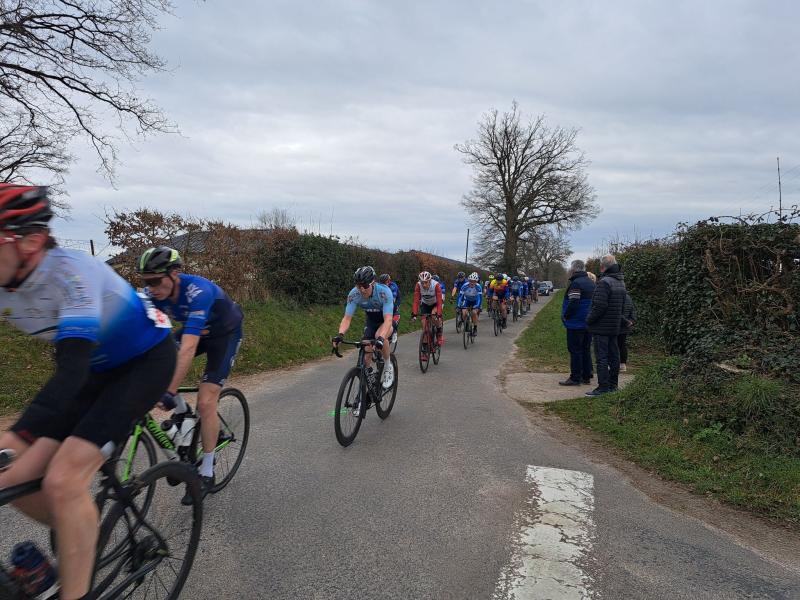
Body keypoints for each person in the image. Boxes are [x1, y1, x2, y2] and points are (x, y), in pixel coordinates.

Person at [0, 184, 176, 599]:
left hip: (143, 363)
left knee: (63, 480)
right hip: (95, 370)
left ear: (29, 242)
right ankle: (79, 534)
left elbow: (72, 370)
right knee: (9, 475)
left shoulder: (73, 275)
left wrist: (21, 433)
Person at [138, 245, 243, 502]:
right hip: (196, 330)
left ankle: (206, 472)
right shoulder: (152, 295)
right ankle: (183, 410)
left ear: (174, 273)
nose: (151, 287)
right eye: (146, 282)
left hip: (224, 335)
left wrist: (169, 391)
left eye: (155, 281)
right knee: (153, 362)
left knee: (206, 403)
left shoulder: (198, 292)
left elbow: (188, 349)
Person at [333, 266, 395, 401]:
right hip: (371, 322)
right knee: (366, 355)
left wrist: (380, 338)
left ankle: (388, 365)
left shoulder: (384, 292)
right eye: (358, 286)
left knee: (380, 336)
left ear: (373, 283)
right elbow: (347, 318)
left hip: (386, 320)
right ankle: (367, 386)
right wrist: (340, 335)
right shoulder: (354, 294)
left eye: (365, 286)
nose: (361, 289)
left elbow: (388, 320)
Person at [585, 255, 626, 397]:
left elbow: (599, 306)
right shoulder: (620, 282)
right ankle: (613, 385)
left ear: (603, 267)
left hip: (601, 327)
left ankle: (603, 387)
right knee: (614, 356)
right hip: (614, 325)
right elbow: (623, 305)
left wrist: (589, 320)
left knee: (601, 357)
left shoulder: (604, 282)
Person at [559, 260, 596, 386]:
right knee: (586, 349)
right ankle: (586, 376)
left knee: (575, 350)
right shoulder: (591, 283)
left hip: (576, 323)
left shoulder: (576, 283)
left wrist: (566, 315)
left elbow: (574, 302)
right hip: (588, 322)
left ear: (574, 269)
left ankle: (575, 377)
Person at [411, 270, 444, 349]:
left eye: (426, 282)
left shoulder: (436, 285)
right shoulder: (418, 285)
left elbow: (439, 301)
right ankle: (425, 348)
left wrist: (439, 314)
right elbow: (416, 301)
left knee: (434, 316)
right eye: (422, 282)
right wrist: (414, 314)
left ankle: (439, 333)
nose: (424, 285)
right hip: (425, 304)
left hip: (435, 304)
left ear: (430, 280)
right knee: (424, 326)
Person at [379, 273, 401, 344]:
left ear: (389, 281)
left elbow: (392, 300)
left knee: (394, 319)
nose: (383, 284)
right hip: (385, 302)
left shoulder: (393, 286)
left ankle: (394, 331)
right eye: (382, 283)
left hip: (395, 302)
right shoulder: (379, 286)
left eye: (385, 282)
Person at [618, 292, 637, 372]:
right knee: (622, 345)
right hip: (626, 326)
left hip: (617, 325)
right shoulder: (628, 297)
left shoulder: (616, 297)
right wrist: (631, 321)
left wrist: (626, 321)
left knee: (614, 345)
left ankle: (613, 364)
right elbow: (633, 310)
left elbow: (617, 312)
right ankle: (623, 364)